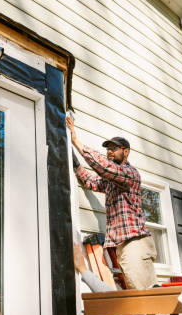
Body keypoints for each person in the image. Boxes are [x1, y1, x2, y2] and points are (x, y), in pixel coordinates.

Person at [66, 115, 157, 290]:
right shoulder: (112, 181)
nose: (109, 151)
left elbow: (105, 168)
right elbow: (89, 181)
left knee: (144, 296)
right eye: (108, 149)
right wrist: (74, 161)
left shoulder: (129, 174)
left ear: (126, 151)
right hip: (123, 246)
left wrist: (76, 142)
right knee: (135, 294)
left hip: (135, 244)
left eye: (114, 148)